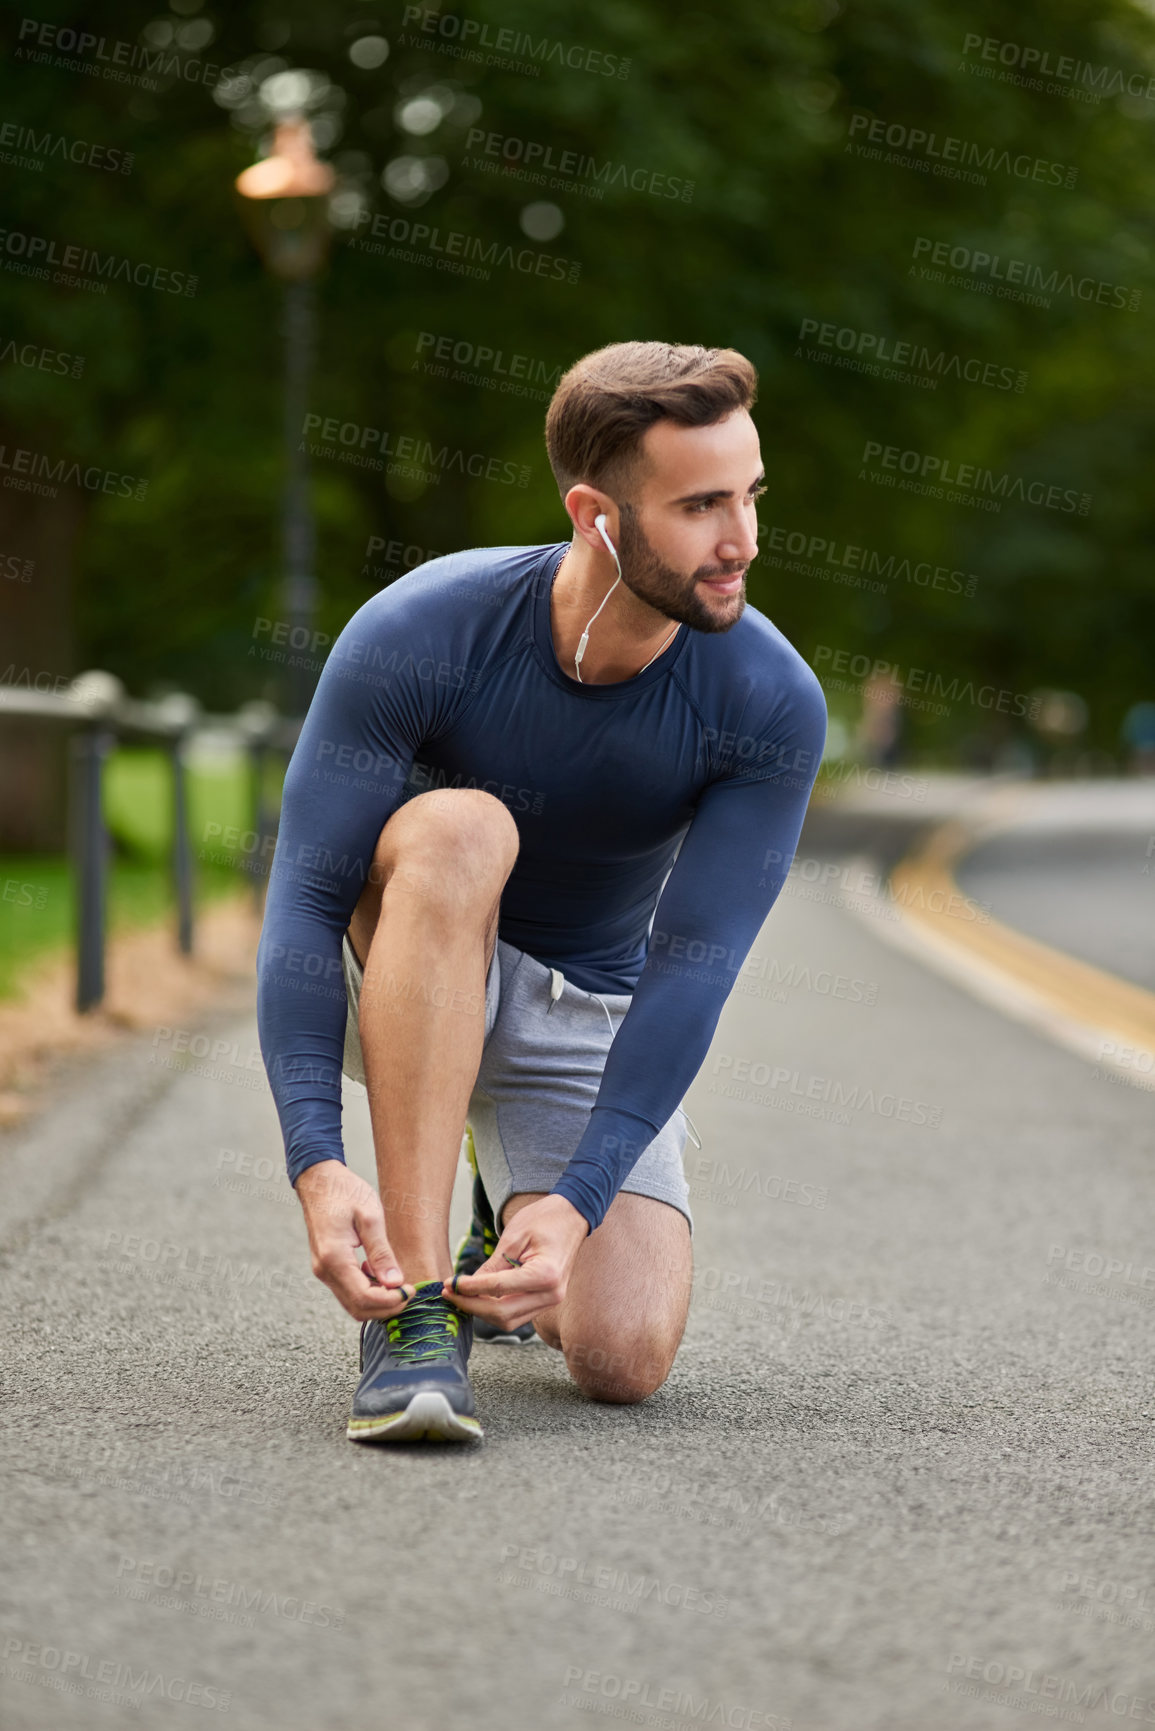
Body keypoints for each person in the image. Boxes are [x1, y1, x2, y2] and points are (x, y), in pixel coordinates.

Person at [256, 341, 828, 1443]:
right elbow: (304, 907)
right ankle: (416, 1313)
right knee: (467, 825)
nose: (742, 540)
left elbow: (692, 969)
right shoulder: (425, 628)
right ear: (595, 514)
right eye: (701, 505)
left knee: (625, 1356)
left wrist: (577, 1201)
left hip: (586, 1006)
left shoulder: (769, 701)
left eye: (750, 496)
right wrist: (317, 1166)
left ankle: (504, 1206)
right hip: (409, 967)